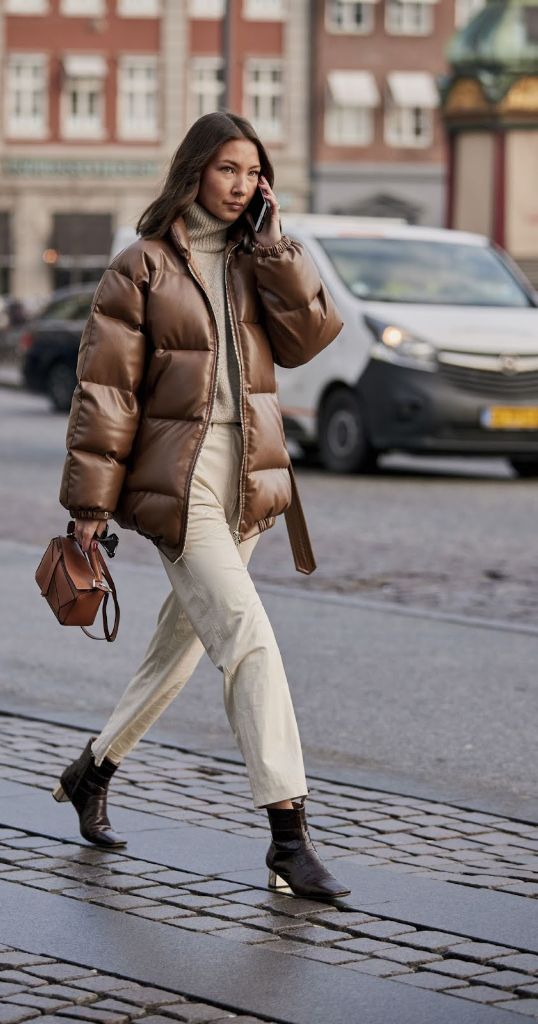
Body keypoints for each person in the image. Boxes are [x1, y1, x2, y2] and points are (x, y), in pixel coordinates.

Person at [52, 111, 349, 900]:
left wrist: (279, 247)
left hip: (248, 479)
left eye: (254, 173)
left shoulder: (259, 260)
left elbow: (312, 337)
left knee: (178, 650)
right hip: (179, 487)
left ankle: (93, 771)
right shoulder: (141, 267)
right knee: (247, 638)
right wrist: (89, 505)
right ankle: (289, 835)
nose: (242, 185)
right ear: (194, 172)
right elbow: (105, 392)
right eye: (228, 170)